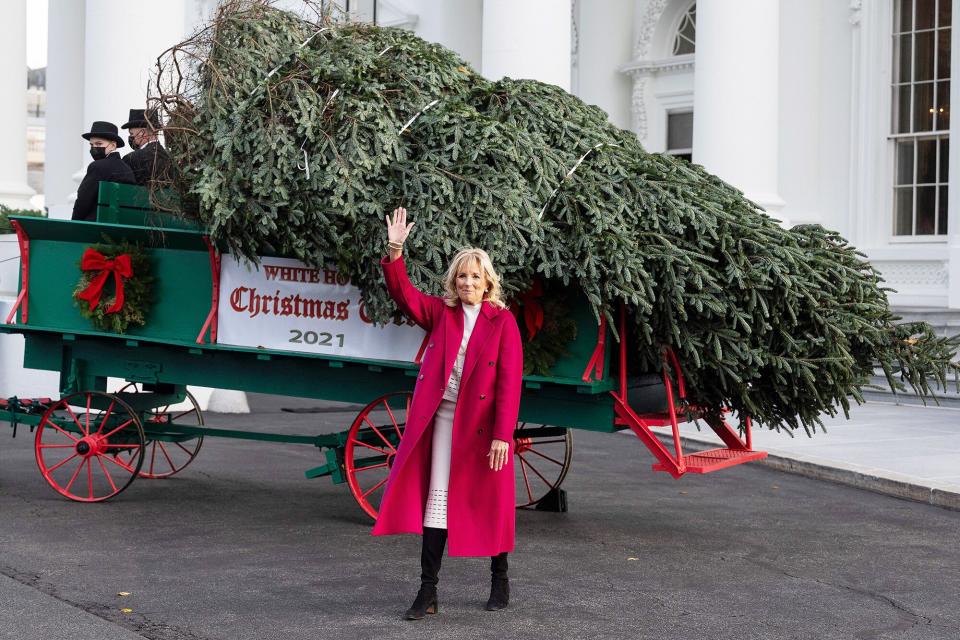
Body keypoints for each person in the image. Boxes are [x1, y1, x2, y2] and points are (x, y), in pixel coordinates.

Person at [372, 207, 523, 620]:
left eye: (476, 276)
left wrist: (502, 435)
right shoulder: (442, 314)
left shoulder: (503, 322)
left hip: (485, 429)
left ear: (488, 281)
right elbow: (404, 294)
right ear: (453, 282)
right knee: (435, 503)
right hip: (442, 421)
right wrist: (396, 249)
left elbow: (511, 382)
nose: (468, 282)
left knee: (491, 501)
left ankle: (500, 578)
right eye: (462, 276)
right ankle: (428, 591)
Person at [71, 121, 135, 221]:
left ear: (113, 145)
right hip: (121, 225)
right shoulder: (127, 169)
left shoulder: (97, 167)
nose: (94, 148)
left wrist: (73, 223)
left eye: (99, 143)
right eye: (91, 145)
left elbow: (83, 201)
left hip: (95, 225)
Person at [121, 108, 171, 186]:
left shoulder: (130, 159)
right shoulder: (169, 157)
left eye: (131, 133)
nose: (130, 137)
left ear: (142, 133)